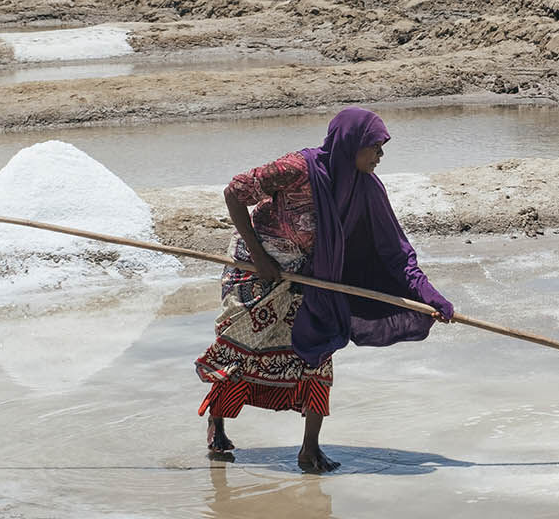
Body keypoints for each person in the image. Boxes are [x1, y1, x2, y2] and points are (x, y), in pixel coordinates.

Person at [194, 107, 454, 473]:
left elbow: (397, 254)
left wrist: (430, 297)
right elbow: (234, 192)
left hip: (312, 276)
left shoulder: (366, 189)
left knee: (319, 353)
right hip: (257, 270)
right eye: (376, 147)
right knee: (241, 350)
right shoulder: (297, 168)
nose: (381, 156)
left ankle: (309, 451)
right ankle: (217, 425)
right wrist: (259, 256)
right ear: (353, 144)